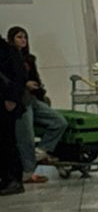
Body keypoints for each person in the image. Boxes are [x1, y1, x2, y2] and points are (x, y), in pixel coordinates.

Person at [7, 26, 69, 180]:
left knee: (59, 121)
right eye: (19, 37)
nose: (23, 40)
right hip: (20, 100)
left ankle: (40, 152)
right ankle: (28, 172)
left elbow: (35, 78)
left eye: (24, 37)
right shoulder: (8, 59)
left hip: (32, 98)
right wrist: (24, 85)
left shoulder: (29, 59)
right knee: (26, 136)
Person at [0, 30, 26, 195]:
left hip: (5, 103)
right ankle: (7, 178)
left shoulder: (6, 50)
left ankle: (13, 179)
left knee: (6, 142)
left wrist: (11, 98)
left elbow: (18, 76)